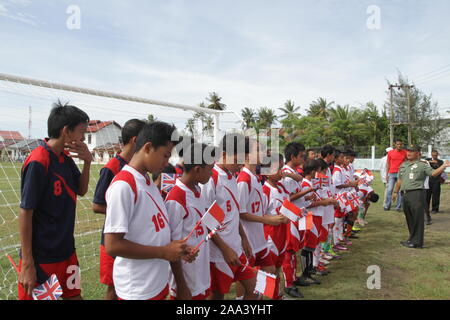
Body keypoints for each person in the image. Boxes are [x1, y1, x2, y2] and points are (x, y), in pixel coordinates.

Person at [104, 121, 194, 300]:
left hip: (156, 281)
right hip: (137, 289)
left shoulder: (146, 181)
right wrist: (163, 252)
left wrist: (177, 249)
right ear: (147, 147)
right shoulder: (124, 185)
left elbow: (153, 230)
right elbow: (113, 245)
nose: (167, 162)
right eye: (165, 155)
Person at [18, 101, 91, 300]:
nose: (83, 138)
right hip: (42, 258)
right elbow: (25, 213)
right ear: (66, 131)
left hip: (67, 252)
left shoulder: (65, 159)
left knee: (75, 297)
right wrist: (27, 263)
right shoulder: (39, 160)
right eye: (81, 132)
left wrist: (87, 162)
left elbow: (82, 190)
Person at [92, 118, 146, 300]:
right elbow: (97, 204)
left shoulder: (139, 168)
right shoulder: (112, 167)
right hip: (114, 237)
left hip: (133, 237)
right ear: (135, 140)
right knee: (113, 288)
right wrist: (124, 211)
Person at [201, 133, 257, 300]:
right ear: (224, 155)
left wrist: (244, 238)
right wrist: (224, 249)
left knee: (254, 287)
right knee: (218, 296)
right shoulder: (211, 178)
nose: (241, 163)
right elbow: (204, 220)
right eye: (238, 158)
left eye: (244, 158)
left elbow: (233, 212)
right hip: (218, 253)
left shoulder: (232, 177)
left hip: (236, 247)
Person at [165, 143, 215, 300]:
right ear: (198, 169)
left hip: (199, 273)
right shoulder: (176, 199)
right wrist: (182, 286)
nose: (212, 173)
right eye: (210, 169)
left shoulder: (198, 190)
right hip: (186, 281)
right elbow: (173, 248)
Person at [236, 138, 284, 299]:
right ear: (247, 156)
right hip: (249, 240)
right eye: (259, 150)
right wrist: (267, 220)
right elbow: (240, 213)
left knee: (269, 272)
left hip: (259, 239)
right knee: (246, 280)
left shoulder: (255, 177)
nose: (263, 153)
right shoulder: (244, 180)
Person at [392, 145, 450, 249]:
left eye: (412, 151)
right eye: (408, 151)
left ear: (418, 153)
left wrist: (443, 166)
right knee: (409, 218)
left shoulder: (422, 165)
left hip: (416, 193)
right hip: (404, 194)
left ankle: (417, 242)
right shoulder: (403, 165)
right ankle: (412, 238)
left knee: (417, 219)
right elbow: (400, 180)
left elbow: (433, 173)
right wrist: (395, 192)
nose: (409, 153)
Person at [262, 153, 291, 299]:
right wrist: (272, 218)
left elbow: (288, 205)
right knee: (268, 269)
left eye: (282, 168)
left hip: (283, 232)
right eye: (278, 169)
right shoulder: (264, 191)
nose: (282, 172)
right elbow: (256, 216)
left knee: (278, 266)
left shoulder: (281, 187)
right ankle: (263, 295)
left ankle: (276, 294)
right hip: (270, 234)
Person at [384, 140, 407, 212]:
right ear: (395, 145)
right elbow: (388, 164)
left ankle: (398, 207)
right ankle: (387, 205)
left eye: (400, 144)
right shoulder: (390, 153)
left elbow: (407, 162)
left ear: (402, 145)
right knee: (389, 190)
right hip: (391, 173)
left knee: (400, 191)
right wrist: (387, 174)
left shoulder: (405, 152)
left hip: (401, 174)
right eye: (398, 144)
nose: (399, 145)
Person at [426, 150, 444, 214]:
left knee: (436, 195)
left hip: (436, 180)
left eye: (435, 155)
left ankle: (435, 209)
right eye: (433, 155)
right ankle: (426, 208)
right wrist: (431, 161)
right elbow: (422, 161)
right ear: (431, 155)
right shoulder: (427, 160)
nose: (434, 156)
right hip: (428, 180)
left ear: (437, 155)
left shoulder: (440, 161)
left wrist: (436, 163)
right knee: (427, 195)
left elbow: (442, 168)